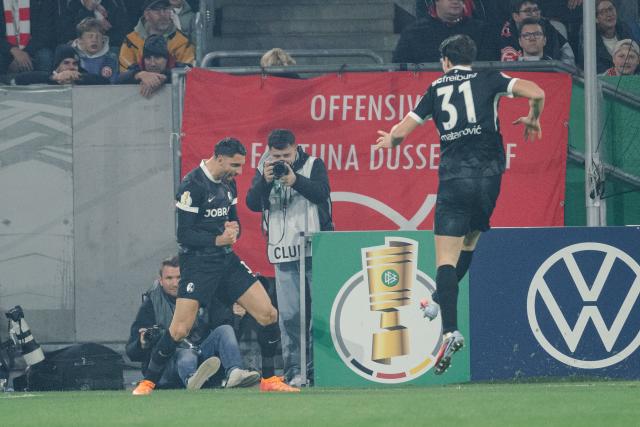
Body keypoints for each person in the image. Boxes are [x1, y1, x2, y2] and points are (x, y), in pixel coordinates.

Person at [375, 34, 545, 374]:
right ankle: (438, 301)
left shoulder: (436, 88)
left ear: (445, 61)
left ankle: (449, 330)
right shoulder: (490, 78)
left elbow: (401, 131)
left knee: (446, 258)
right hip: (490, 176)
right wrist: (533, 117)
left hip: (455, 178)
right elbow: (537, 92)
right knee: (470, 241)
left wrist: (389, 141)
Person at [132, 137, 299, 395]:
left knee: (268, 314)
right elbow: (184, 235)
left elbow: (234, 222)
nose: (239, 171)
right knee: (179, 329)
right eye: (235, 164)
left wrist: (233, 232)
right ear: (219, 157)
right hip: (198, 264)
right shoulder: (192, 185)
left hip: (226, 260)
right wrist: (217, 238)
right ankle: (148, 382)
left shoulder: (228, 184)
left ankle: (269, 380)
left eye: (242, 166)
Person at [246, 129, 333, 387]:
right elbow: (251, 203)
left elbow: (322, 193)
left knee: (321, 311)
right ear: (269, 152)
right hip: (283, 249)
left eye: (286, 154)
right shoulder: (265, 167)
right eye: (276, 155)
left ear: (296, 148)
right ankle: (295, 370)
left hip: (314, 247)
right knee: (290, 316)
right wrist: (264, 180)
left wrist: (295, 180)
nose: (281, 160)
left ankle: (321, 368)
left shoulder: (313, 164)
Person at [126, 256, 261, 390]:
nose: (175, 283)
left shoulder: (203, 296)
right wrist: (142, 343)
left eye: (179, 277)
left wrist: (237, 318)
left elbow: (227, 337)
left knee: (224, 330)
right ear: (160, 281)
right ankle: (191, 379)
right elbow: (131, 353)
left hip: (202, 356)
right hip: (166, 366)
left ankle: (234, 372)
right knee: (186, 354)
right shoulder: (151, 304)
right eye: (169, 278)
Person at [393, 0, 495, 64]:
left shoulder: (481, 30)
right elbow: (399, 70)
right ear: (436, 1)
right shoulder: (413, 33)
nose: (456, 1)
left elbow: (491, 66)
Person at [119, 0, 194, 72]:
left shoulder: (182, 41)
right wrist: (140, 75)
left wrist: (165, 74)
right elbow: (124, 70)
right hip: (138, 84)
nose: (162, 14)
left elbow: (189, 69)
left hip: (172, 83)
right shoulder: (131, 40)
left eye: (165, 9)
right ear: (146, 14)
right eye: (157, 10)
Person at [498, 0, 575, 65]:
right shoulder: (507, 33)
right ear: (516, 16)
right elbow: (509, 66)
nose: (534, 14)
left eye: (535, 10)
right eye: (528, 11)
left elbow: (566, 51)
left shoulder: (547, 25)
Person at [579, 0, 637, 74]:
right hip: (604, 81)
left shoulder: (624, 29)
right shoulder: (590, 37)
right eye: (603, 12)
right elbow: (594, 67)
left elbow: (636, 55)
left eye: (611, 9)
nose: (609, 14)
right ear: (596, 19)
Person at [0, 0, 56, 74]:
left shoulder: (42, 2)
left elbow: (45, 34)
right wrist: (13, 50)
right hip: (6, 48)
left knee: (45, 56)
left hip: (32, 48)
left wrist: (24, 53)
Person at [13, 44, 109, 85]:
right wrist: (54, 78)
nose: (71, 67)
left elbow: (106, 83)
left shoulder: (82, 76)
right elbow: (18, 79)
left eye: (75, 63)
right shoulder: (47, 76)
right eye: (66, 63)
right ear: (57, 66)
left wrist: (80, 77)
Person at [71, 18, 119, 83]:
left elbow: (112, 84)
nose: (94, 40)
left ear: (103, 39)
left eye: (98, 36)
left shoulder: (111, 58)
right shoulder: (71, 56)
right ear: (80, 40)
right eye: (90, 36)